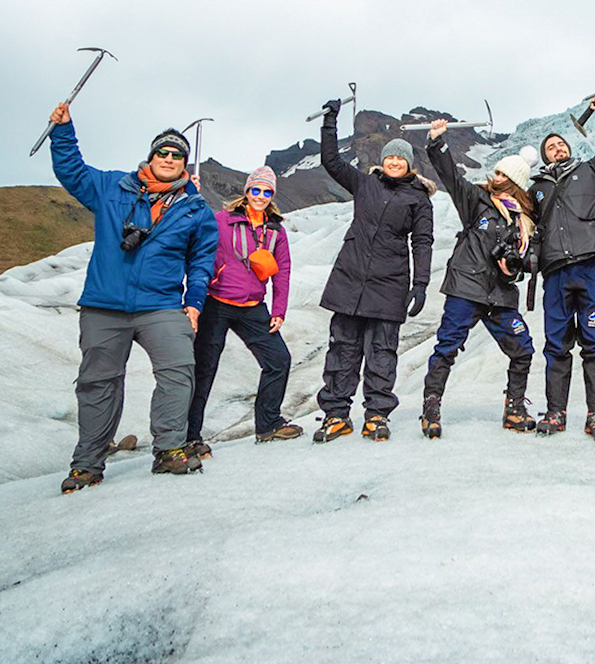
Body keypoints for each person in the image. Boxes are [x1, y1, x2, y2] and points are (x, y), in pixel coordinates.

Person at [46, 104, 219, 493]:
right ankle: (87, 464)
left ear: (185, 164)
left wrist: (193, 304)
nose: (169, 159)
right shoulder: (112, 188)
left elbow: (202, 260)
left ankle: (170, 449)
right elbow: (72, 171)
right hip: (104, 306)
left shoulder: (195, 209)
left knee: (178, 371)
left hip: (161, 305)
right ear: (152, 155)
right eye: (164, 152)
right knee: (98, 382)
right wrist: (62, 131)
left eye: (177, 155)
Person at [314, 99, 436, 443]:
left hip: (389, 284)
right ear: (382, 161)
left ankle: (377, 416)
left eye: (401, 157)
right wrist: (330, 123)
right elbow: (331, 161)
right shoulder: (365, 184)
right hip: (350, 280)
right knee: (342, 350)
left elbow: (423, 242)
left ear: (409, 164)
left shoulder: (418, 199)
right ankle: (336, 416)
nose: (394, 161)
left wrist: (421, 283)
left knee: (382, 353)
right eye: (390, 156)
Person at [421, 118, 539, 437]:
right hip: (466, 288)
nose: (496, 177)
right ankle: (431, 409)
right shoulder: (476, 201)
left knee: (523, 349)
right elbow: (451, 176)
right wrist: (436, 143)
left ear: (516, 182)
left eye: (503, 175)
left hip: (500, 297)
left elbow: (527, 261)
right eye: (497, 172)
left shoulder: (524, 221)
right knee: (448, 347)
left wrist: (513, 269)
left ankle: (514, 409)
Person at [528, 94, 595, 441]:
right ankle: (555, 412)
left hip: (591, 267)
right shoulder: (536, 189)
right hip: (555, 272)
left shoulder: (590, 171)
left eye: (560, 144)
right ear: (544, 156)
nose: (557, 148)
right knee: (556, 345)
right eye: (550, 147)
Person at [185, 166, 300, 456]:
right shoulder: (222, 220)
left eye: (267, 191)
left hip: (253, 307)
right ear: (247, 192)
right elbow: (195, 236)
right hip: (217, 302)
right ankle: (190, 437)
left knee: (279, 359)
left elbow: (282, 271)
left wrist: (279, 310)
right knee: (204, 369)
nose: (260, 196)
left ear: (272, 195)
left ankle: (268, 424)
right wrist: (191, 197)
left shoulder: (276, 230)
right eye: (256, 190)